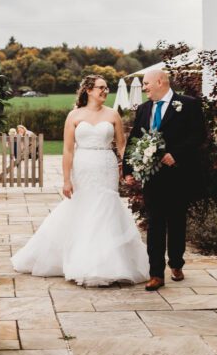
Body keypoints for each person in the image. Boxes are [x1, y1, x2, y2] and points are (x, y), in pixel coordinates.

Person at [11, 75, 149, 286]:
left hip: (106, 165)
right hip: (83, 165)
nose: (105, 91)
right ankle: (82, 261)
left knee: (106, 207)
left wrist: (129, 170)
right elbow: (67, 150)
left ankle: (108, 263)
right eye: (101, 88)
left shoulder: (113, 114)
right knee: (84, 207)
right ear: (88, 90)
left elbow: (122, 146)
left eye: (106, 88)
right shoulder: (74, 116)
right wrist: (66, 180)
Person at [123, 69, 206, 291]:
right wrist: (128, 170)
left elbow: (199, 135)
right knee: (155, 224)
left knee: (177, 222)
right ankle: (156, 274)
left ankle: (176, 263)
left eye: (147, 84)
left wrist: (176, 154)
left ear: (160, 82)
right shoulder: (143, 109)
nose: (144, 88)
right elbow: (134, 140)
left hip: (179, 174)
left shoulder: (187, 104)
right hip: (153, 177)